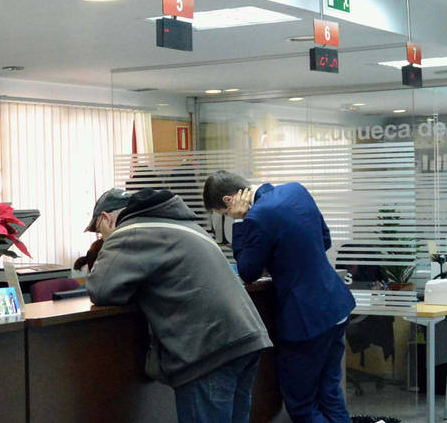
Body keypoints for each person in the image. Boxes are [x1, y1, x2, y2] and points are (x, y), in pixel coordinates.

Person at [85, 187, 272, 423]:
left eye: (98, 230)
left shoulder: (130, 232)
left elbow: (100, 289)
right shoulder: (183, 224)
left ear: (106, 218)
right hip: (246, 337)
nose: (100, 238)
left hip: (209, 350)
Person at [203, 171, 355, 423]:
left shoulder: (257, 217)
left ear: (230, 201)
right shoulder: (296, 190)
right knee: (329, 394)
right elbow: (324, 240)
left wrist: (239, 223)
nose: (229, 217)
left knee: (302, 406)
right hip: (336, 305)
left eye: (225, 214)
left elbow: (248, 271)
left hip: (306, 320)